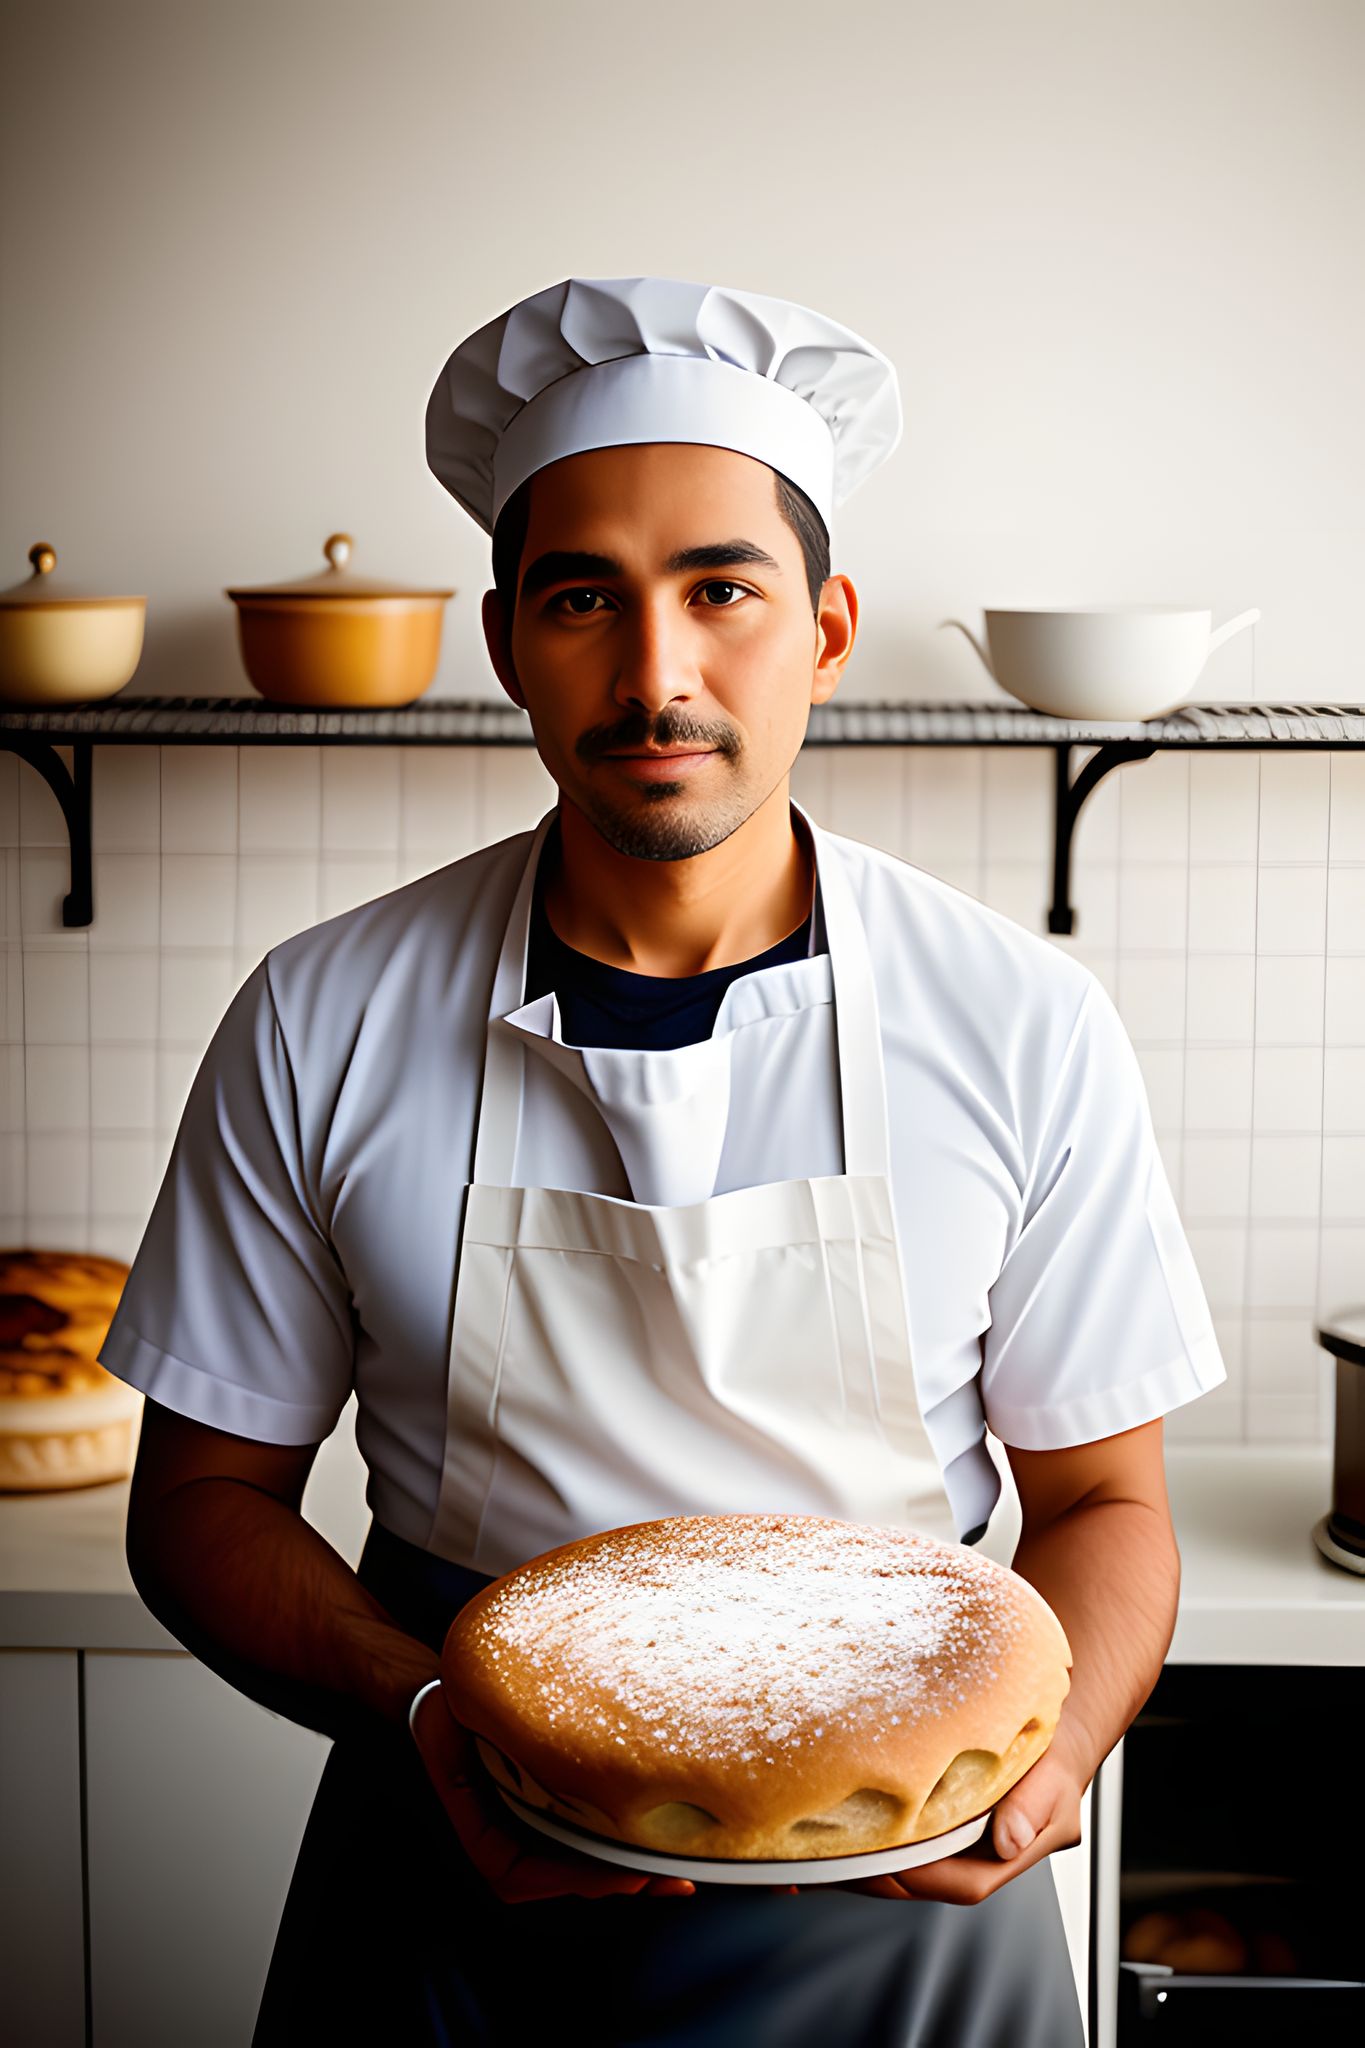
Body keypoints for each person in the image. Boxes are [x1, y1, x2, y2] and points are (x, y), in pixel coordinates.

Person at [105, 274, 1227, 2046]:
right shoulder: (321, 1013)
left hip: (910, 1912)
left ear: (827, 628)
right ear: (504, 641)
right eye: (582, 600)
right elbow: (197, 1501)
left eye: (723, 590)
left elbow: (1104, 1506)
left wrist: (1048, 1754)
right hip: (452, 1891)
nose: (655, 675)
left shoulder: (1020, 1020)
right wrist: (424, 1719)